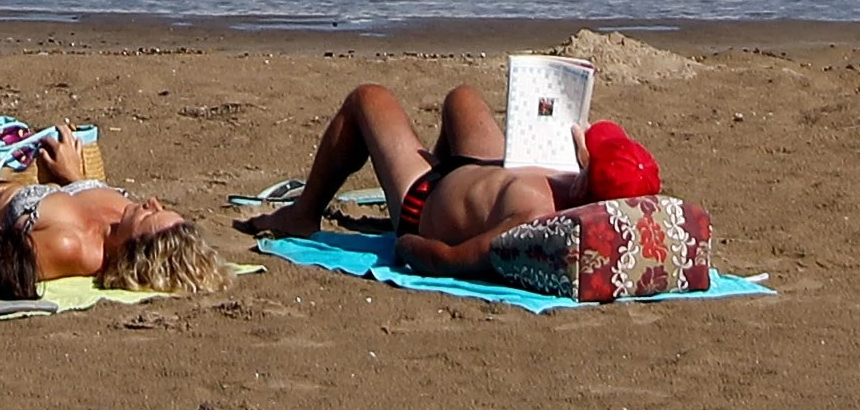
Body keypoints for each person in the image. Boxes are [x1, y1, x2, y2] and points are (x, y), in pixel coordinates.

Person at [237, 78, 596, 277]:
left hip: (423, 204)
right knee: (463, 97)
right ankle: (437, 171)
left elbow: (449, 259)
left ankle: (303, 213)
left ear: (584, 180)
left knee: (367, 98)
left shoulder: (532, 219)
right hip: (483, 176)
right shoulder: (593, 191)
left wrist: (406, 244)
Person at [0, 136, 227, 301]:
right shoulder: (118, 219)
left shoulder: (71, 248)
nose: (152, 202)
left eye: (153, 214)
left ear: (134, 251)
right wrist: (73, 176)